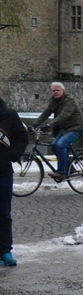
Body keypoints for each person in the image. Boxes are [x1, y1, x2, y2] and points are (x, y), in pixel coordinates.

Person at [33, 82, 83, 181]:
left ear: (63, 91)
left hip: (77, 127)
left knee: (60, 145)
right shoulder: (53, 101)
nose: (56, 92)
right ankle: (70, 168)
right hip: (65, 129)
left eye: (58, 90)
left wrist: (49, 125)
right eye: (54, 91)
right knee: (54, 146)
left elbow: (63, 116)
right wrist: (34, 124)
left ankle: (61, 172)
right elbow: (46, 113)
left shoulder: (69, 100)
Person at [0, 95, 27, 267]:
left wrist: (11, 155)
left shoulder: (9, 115)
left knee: (3, 213)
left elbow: (21, 137)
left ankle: (5, 251)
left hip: (2, 173)